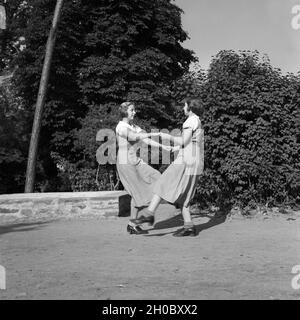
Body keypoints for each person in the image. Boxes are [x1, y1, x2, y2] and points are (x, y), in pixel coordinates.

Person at [131, 98, 204, 237]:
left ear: (191, 108)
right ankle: (189, 227)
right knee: (185, 195)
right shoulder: (197, 121)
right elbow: (192, 142)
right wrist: (177, 147)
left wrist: (166, 136)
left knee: (162, 182)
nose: (183, 107)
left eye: (185, 105)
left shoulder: (190, 121)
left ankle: (149, 214)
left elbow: (184, 140)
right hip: (195, 160)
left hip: (186, 160)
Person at [116, 101, 172, 235]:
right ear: (124, 112)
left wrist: (163, 146)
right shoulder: (121, 127)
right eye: (131, 110)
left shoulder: (133, 126)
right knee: (137, 193)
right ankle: (133, 224)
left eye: (134, 110)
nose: (134, 112)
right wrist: (155, 134)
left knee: (157, 176)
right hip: (125, 163)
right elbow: (134, 137)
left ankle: (135, 222)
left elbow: (145, 139)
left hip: (135, 160)